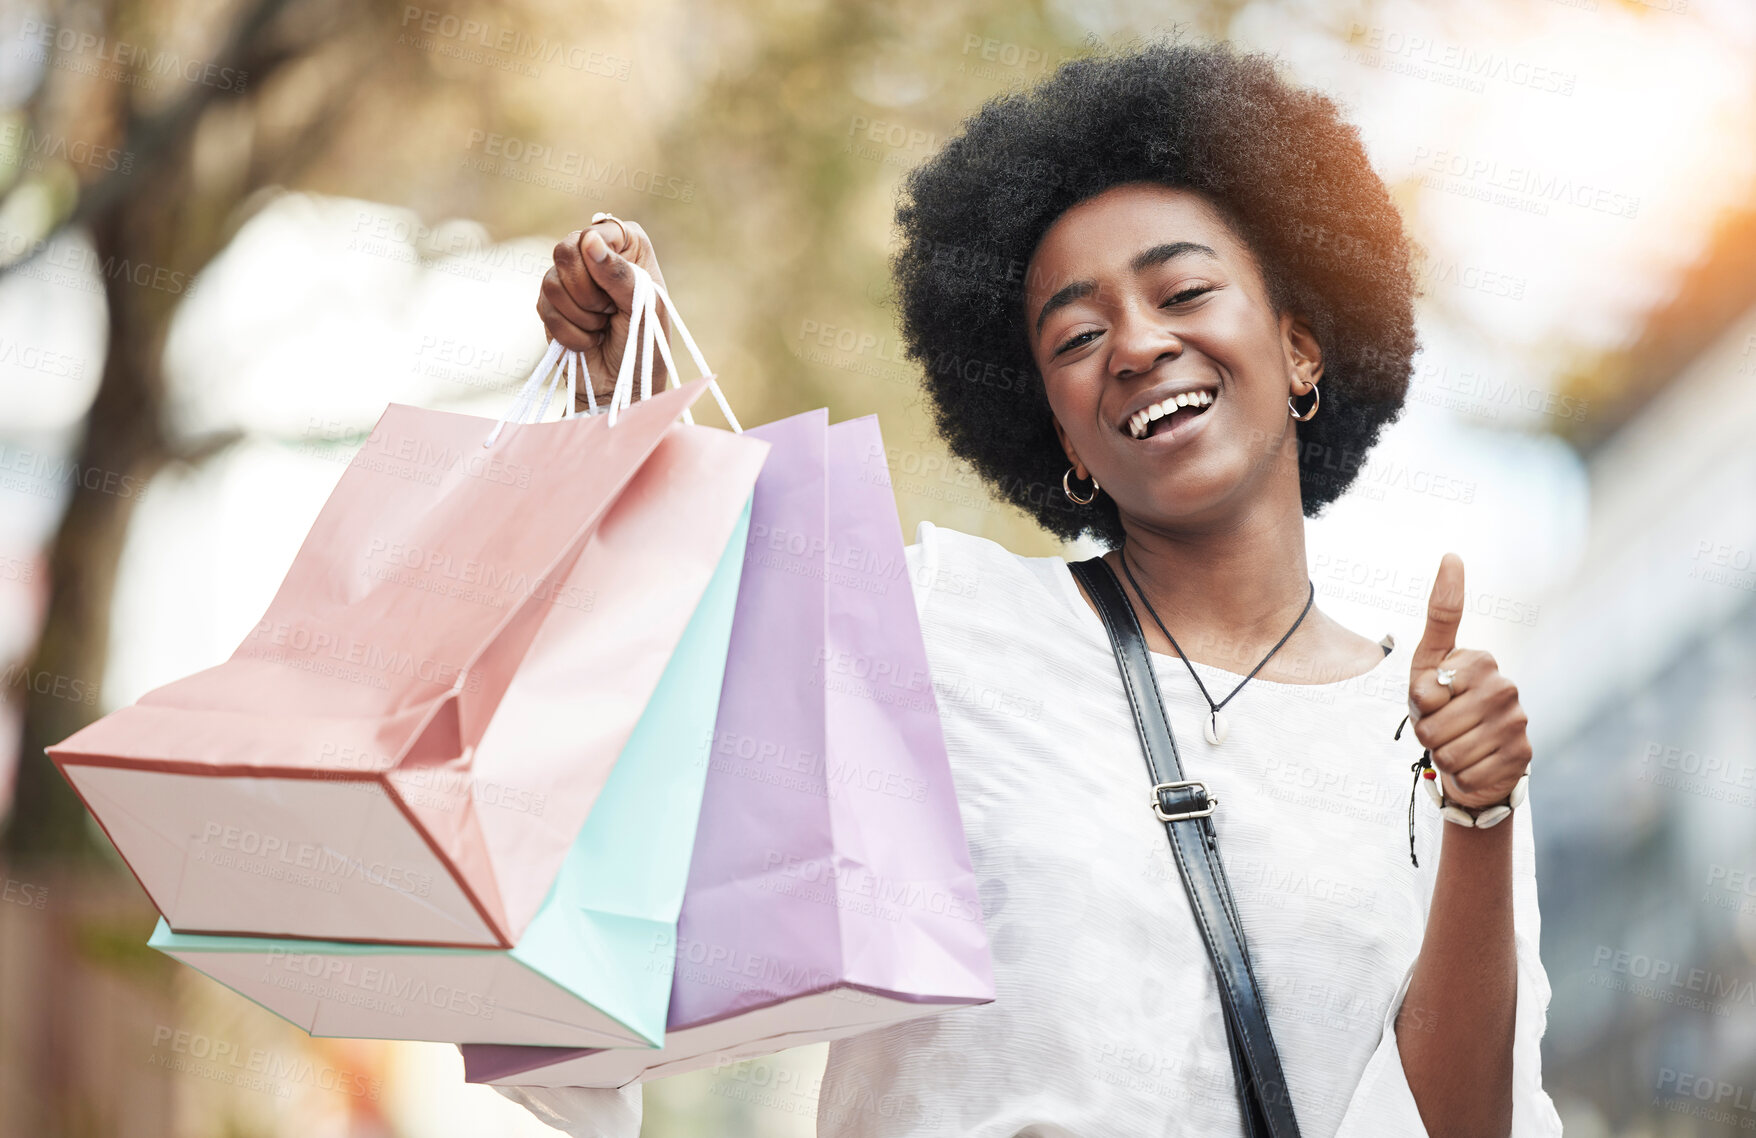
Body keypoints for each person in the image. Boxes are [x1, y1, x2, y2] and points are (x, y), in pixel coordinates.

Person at [519, 39, 1561, 1138]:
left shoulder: (1439, 735)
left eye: (1184, 290)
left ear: (1301, 347)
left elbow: (1465, 1124)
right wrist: (619, 407)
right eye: (1077, 333)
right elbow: (674, 708)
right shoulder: (936, 625)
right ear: (1058, 429)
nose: (1138, 343)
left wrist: (1478, 811)